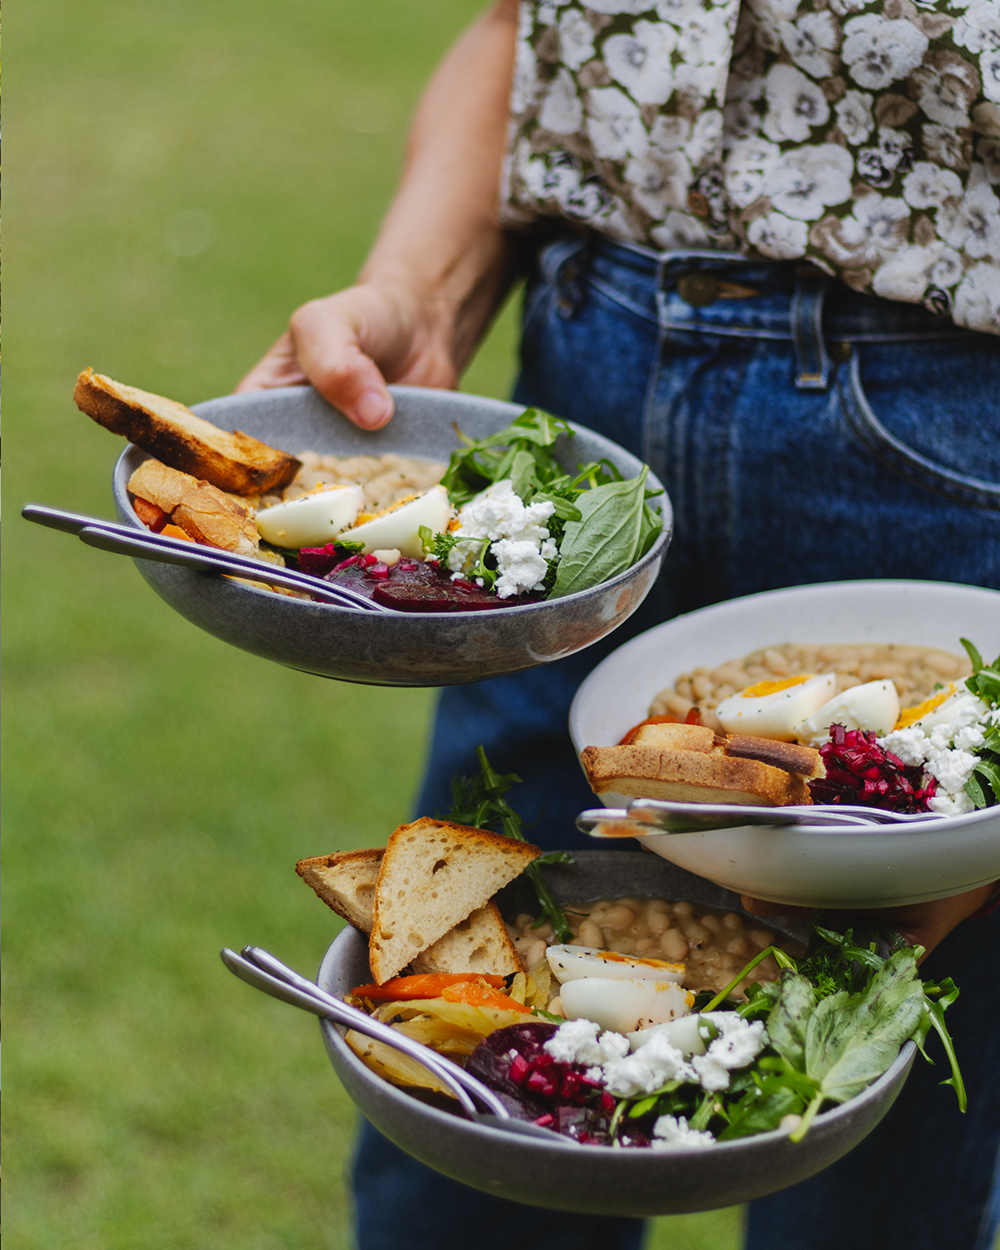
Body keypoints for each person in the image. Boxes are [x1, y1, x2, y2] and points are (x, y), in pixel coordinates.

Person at [238, 3, 1000, 1247]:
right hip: (586, 423)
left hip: (938, 460)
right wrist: (418, 292)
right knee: (460, 1145)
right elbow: (516, 27)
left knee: (866, 1167)